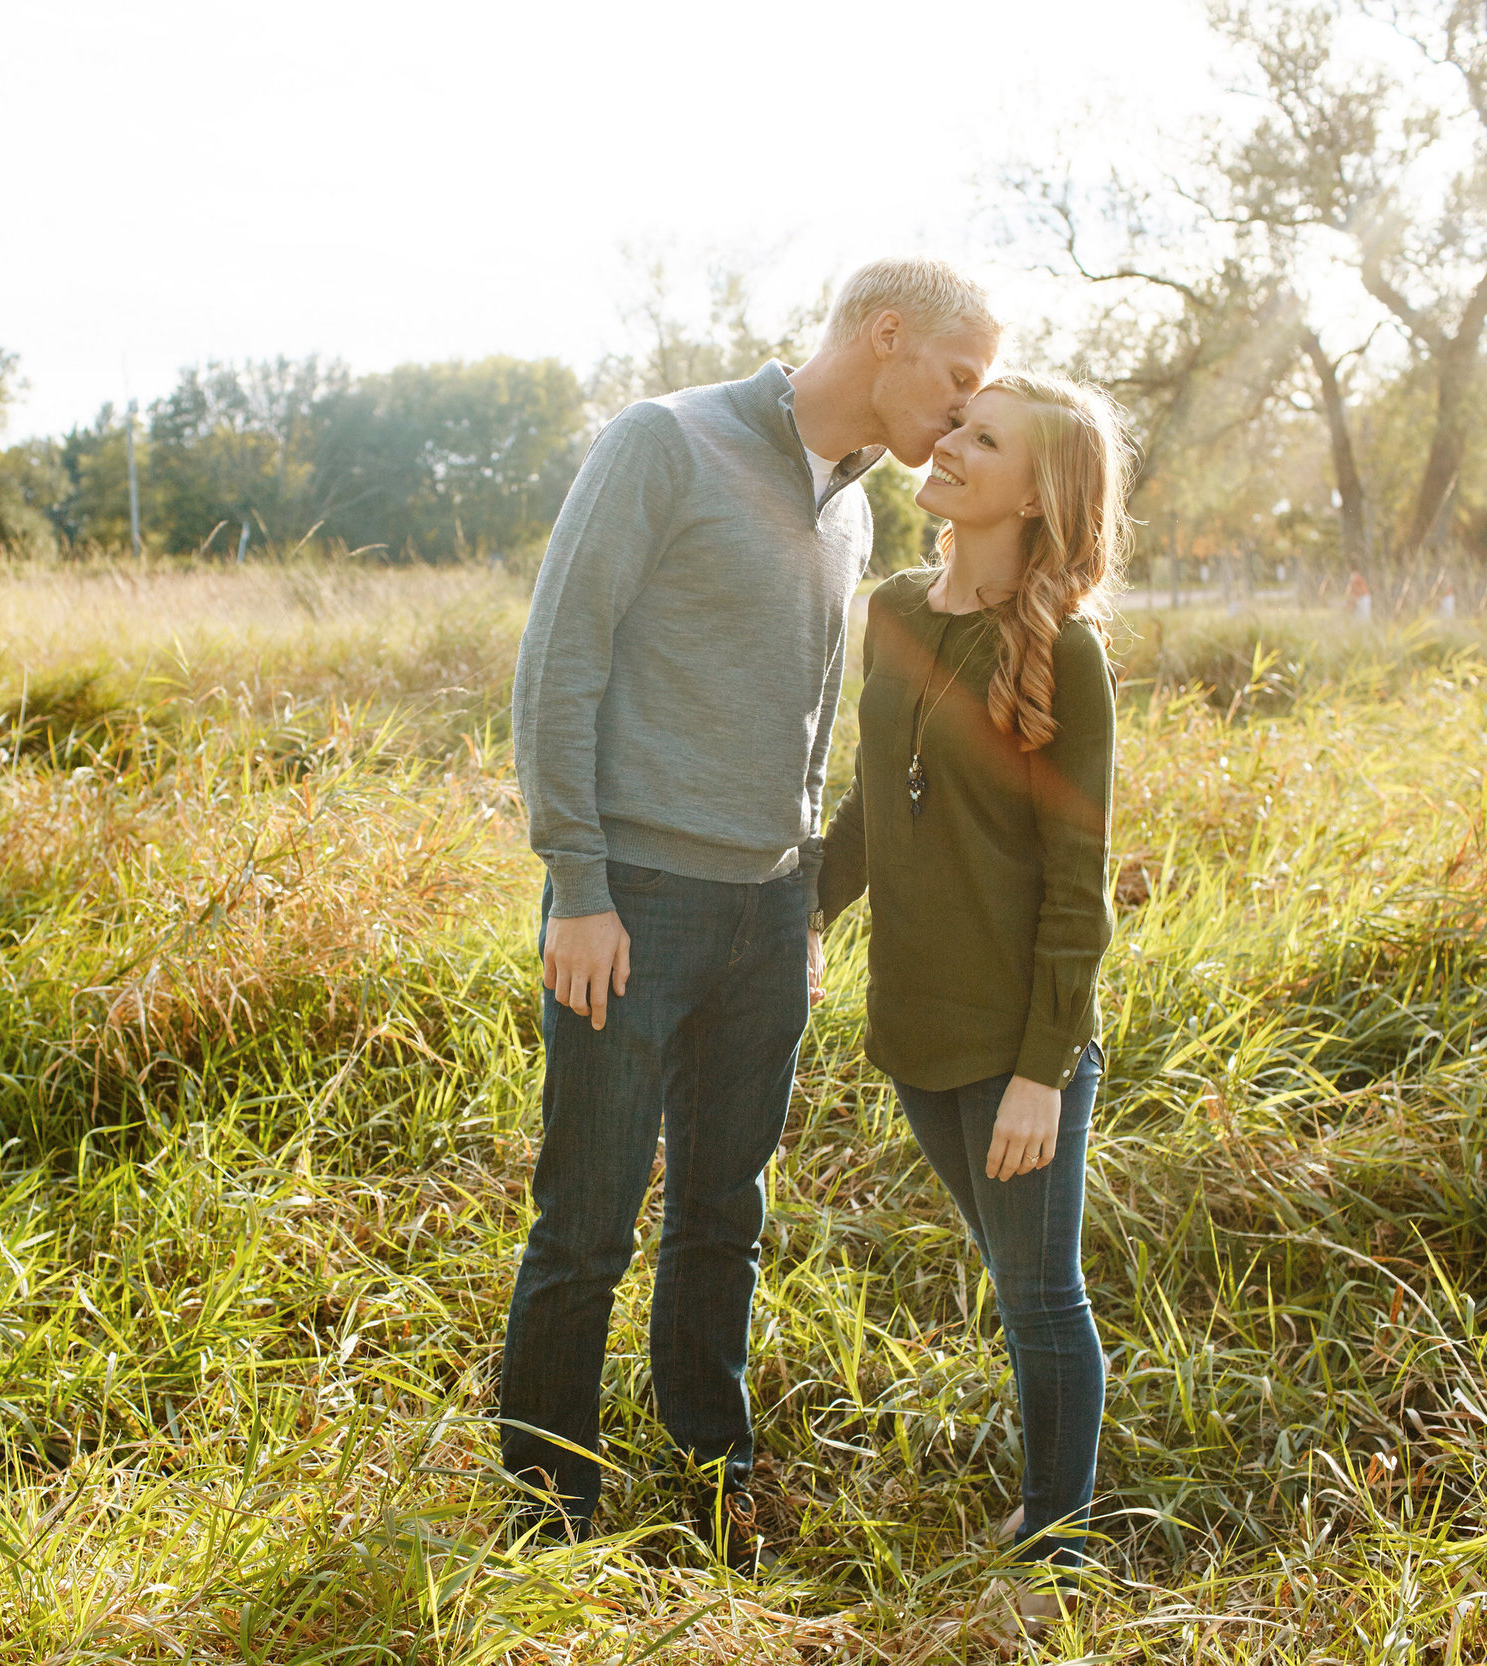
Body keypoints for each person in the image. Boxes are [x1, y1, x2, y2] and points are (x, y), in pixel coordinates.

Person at [502, 257, 1002, 1569]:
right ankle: (548, 1508)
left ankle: (707, 1467)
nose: (962, 415)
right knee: (589, 1222)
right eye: (959, 380)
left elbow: (813, 723)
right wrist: (579, 884)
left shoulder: (854, 515)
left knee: (725, 1211)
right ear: (886, 336)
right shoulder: (663, 442)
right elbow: (561, 662)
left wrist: (807, 914)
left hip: (769, 916)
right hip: (638, 911)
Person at [815, 370, 1130, 1634]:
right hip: (914, 1023)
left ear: (1034, 493)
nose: (947, 446)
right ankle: (1051, 1496)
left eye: (982, 440)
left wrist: (1044, 1071)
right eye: (959, 424)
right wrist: (793, 916)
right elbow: (867, 809)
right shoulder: (891, 606)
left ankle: (1059, 1533)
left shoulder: (1065, 656)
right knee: (1008, 1274)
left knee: (1039, 1289)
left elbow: (1078, 884)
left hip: (1017, 1044)